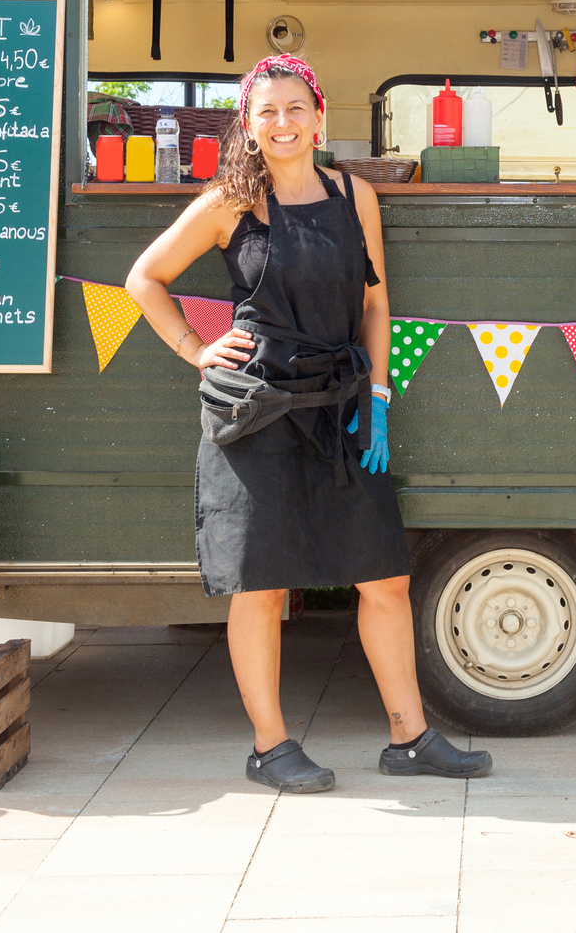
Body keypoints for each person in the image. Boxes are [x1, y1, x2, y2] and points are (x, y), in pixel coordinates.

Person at [126, 55, 494, 793]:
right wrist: (198, 351)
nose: (283, 124)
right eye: (267, 112)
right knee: (259, 587)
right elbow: (145, 279)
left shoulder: (353, 194)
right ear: (248, 124)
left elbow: (375, 301)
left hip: (341, 405)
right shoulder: (229, 200)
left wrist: (379, 393)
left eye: (295, 109)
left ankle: (410, 738)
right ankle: (270, 746)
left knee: (384, 578)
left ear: (318, 116)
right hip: (255, 411)